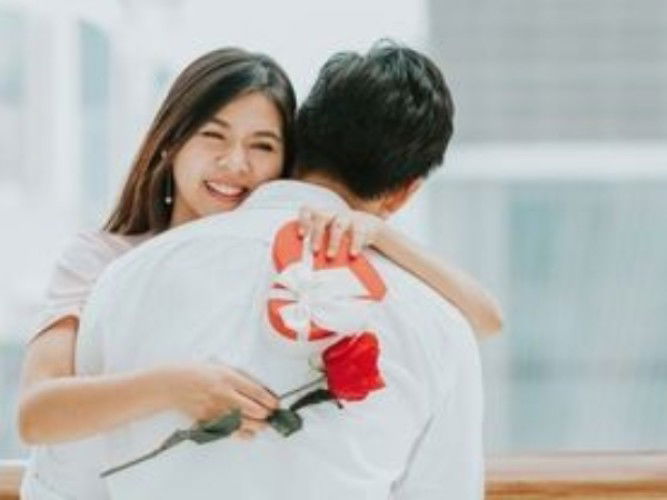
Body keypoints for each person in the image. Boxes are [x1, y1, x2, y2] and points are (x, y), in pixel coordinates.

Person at [18, 46, 496, 498]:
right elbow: (42, 419)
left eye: (262, 145)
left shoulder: (132, 280)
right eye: (213, 136)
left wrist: (379, 234)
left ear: (291, 157)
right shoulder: (110, 266)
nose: (235, 163)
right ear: (170, 143)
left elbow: (482, 317)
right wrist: (173, 386)